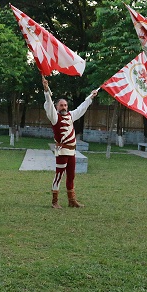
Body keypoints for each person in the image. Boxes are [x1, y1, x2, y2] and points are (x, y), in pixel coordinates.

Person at [43, 77, 98, 209]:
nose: (64, 107)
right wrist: (46, 91)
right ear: (57, 107)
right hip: (61, 151)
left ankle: (71, 200)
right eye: (61, 105)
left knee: (71, 176)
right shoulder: (54, 116)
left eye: (65, 105)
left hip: (72, 151)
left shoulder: (70, 115)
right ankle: (54, 201)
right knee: (59, 176)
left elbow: (81, 108)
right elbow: (49, 105)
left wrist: (91, 96)